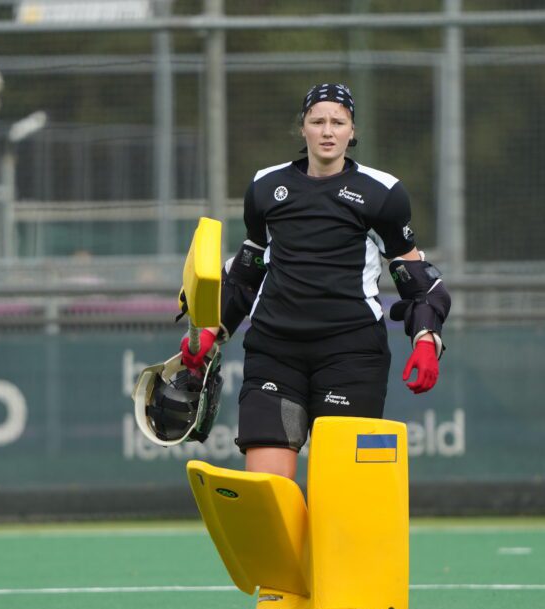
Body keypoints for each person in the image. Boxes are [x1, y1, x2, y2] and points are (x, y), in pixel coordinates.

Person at [181, 82, 449, 480]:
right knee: (267, 492)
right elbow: (248, 269)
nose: (327, 131)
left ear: (352, 131)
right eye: (318, 121)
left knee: (339, 495)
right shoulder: (265, 187)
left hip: (351, 354)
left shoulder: (383, 194)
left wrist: (427, 339)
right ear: (303, 128)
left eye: (338, 122)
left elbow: (417, 282)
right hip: (275, 351)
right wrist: (211, 327)